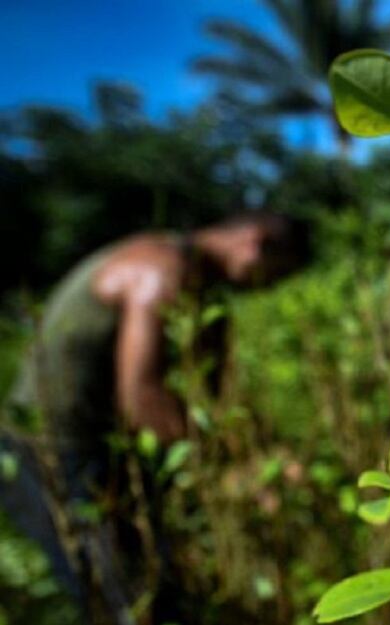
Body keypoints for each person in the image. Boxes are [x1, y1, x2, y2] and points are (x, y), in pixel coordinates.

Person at [0, 212, 310, 624]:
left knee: (155, 580)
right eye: (274, 275)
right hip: (50, 455)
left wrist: (264, 452)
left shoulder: (203, 295)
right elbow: (143, 397)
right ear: (256, 244)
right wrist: (233, 470)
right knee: (124, 597)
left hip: (102, 453)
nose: (265, 288)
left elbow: (211, 398)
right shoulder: (161, 268)